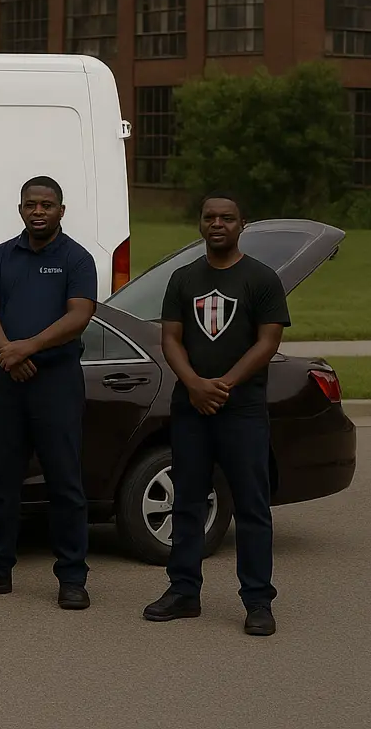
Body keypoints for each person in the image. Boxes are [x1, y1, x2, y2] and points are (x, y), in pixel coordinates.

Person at [143, 193, 288, 636]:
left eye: (227, 217)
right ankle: (184, 590)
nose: (218, 224)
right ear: (200, 224)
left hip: (241, 409)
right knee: (187, 500)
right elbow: (171, 338)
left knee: (251, 506)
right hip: (191, 408)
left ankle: (258, 600)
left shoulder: (261, 278)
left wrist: (222, 384)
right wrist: (194, 384)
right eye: (210, 217)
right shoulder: (184, 278)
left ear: (242, 224)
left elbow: (267, 342)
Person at [0, 176, 98, 610]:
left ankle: (72, 577)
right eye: (31, 204)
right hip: (4, 382)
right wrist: (6, 353)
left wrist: (27, 348)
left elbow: (80, 315)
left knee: (65, 483)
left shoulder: (76, 259)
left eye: (47, 205)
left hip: (54, 382)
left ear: (61, 210)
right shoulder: (1, 256)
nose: (39, 211)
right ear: (20, 209)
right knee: (0, 480)